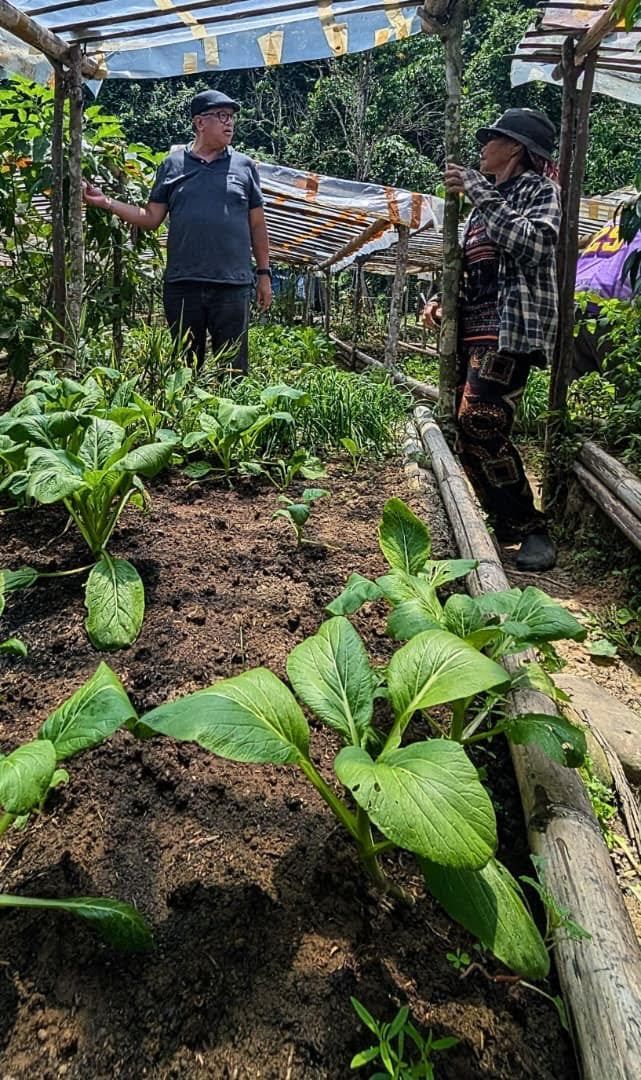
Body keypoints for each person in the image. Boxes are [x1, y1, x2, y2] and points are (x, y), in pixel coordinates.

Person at [423, 108, 561, 572]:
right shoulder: (482, 209)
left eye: (493, 140)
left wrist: (479, 192)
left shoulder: (538, 192)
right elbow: (471, 267)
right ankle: (504, 521)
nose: (484, 147)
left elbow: (531, 244)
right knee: (466, 433)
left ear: (516, 149)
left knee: (480, 419)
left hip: (509, 331)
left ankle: (531, 527)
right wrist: (442, 304)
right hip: (472, 332)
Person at [83, 89, 272, 373]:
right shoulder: (173, 165)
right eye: (221, 116)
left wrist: (264, 274)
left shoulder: (244, 166)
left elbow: (257, 224)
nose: (229, 123)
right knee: (184, 369)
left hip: (232, 285)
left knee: (233, 370)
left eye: (231, 117)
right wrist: (107, 202)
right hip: (183, 284)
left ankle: (231, 416)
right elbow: (150, 217)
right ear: (199, 122)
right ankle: (186, 418)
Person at [573, 219, 641, 379]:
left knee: (576, 389)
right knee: (624, 387)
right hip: (609, 308)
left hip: (574, 297)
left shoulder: (617, 220)